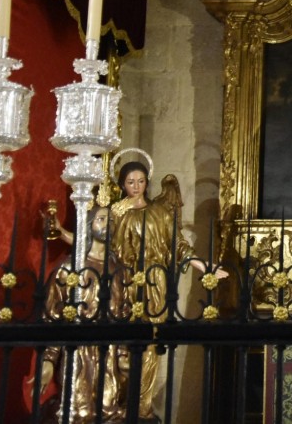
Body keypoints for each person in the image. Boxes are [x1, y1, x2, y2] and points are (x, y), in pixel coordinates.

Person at [109, 157, 228, 420]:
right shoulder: (117, 213)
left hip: (155, 281)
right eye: (130, 182)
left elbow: (178, 245)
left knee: (151, 341)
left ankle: (141, 405)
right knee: (122, 343)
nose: (136, 186)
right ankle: (120, 401)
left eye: (141, 181)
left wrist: (201, 264)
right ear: (122, 184)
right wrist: (111, 218)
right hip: (125, 280)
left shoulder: (159, 213)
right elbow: (103, 246)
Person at [35, 206, 127, 423]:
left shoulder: (119, 271)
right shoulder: (69, 269)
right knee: (78, 412)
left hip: (109, 350)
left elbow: (125, 312)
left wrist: (123, 355)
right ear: (89, 224)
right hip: (77, 350)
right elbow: (53, 315)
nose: (108, 224)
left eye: (111, 220)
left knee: (109, 412)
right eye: (102, 219)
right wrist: (49, 359)